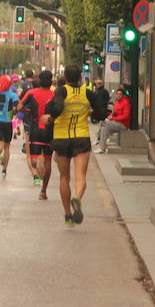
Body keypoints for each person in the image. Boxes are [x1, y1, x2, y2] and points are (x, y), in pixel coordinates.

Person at [44, 64, 106, 228]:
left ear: (65, 76)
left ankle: (68, 216)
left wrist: (50, 117)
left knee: (64, 177)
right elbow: (101, 113)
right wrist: (91, 112)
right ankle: (77, 197)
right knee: (81, 176)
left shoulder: (61, 91)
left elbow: (56, 107)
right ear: (80, 76)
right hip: (81, 137)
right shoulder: (88, 93)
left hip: (62, 137)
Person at [18, 71, 55, 200]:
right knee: (49, 160)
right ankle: (43, 191)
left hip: (35, 128)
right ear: (51, 81)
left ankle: (37, 160)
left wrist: (27, 111)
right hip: (49, 131)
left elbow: (19, 106)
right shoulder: (54, 95)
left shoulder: (31, 93)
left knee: (33, 160)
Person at [0, 74, 20, 179]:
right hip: (7, 122)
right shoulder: (13, 95)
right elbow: (18, 106)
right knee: (7, 147)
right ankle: (4, 170)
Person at [94, 88, 131, 153]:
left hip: (123, 125)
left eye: (120, 94)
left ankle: (101, 144)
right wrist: (110, 116)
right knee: (104, 125)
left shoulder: (126, 103)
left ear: (123, 95)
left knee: (105, 123)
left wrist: (113, 118)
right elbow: (114, 112)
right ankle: (101, 144)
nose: (118, 95)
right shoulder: (117, 102)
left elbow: (126, 116)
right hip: (116, 123)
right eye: (117, 94)